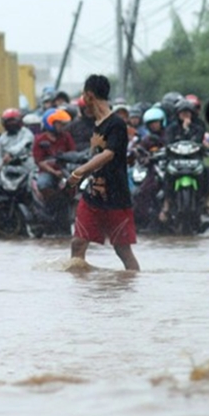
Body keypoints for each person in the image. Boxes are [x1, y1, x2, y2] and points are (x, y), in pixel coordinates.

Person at [68, 74, 139, 271]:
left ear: (90, 96)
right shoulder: (95, 124)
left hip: (116, 197)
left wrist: (79, 172)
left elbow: (109, 154)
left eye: (84, 96)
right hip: (93, 195)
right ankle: (81, 295)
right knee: (78, 243)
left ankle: (132, 289)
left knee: (122, 250)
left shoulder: (116, 123)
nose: (83, 101)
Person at [32, 107, 75, 212]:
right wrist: (54, 172)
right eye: (59, 124)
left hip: (66, 169)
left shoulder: (66, 136)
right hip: (49, 172)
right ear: (50, 123)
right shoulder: (40, 140)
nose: (62, 127)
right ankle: (51, 208)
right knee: (43, 183)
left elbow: (73, 153)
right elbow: (39, 161)